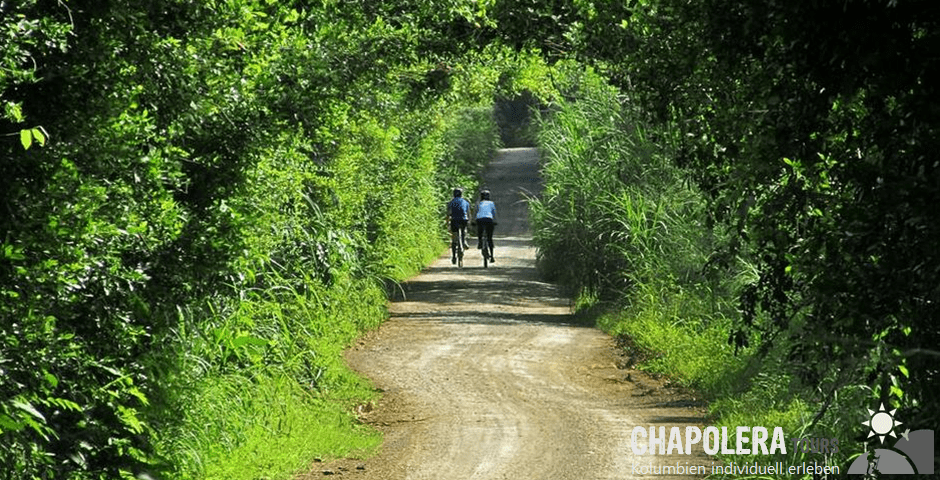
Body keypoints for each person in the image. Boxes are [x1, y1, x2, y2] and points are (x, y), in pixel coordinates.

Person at [446, 187, 471, 263]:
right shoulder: (466, 202)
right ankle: (464, 242)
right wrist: (469, 222)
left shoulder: (451, 202)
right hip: (464, 220)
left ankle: (454, 257)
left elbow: (448, 213)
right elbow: (468, 213)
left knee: (454, 238)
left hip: (454, 220)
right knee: (463, 231)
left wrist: (447, 222)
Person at [475, 189, 496, 262]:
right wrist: (495, 221)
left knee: (480, 233)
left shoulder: (479, 203)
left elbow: (476, 212)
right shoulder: (491, 203)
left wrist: (474, 221)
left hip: (480, 220)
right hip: (489, 220)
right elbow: (494, 213)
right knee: (489, 238)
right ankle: (492, 257)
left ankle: (480, 242)